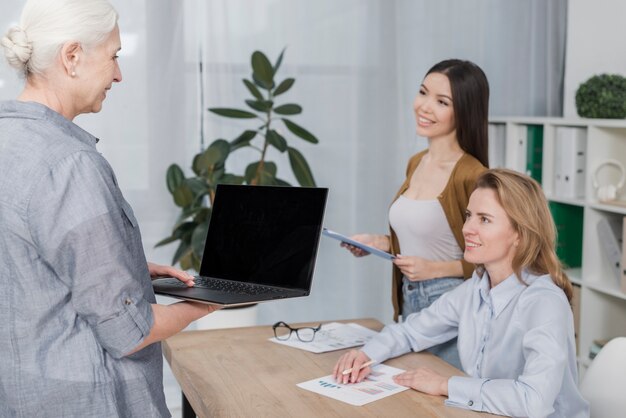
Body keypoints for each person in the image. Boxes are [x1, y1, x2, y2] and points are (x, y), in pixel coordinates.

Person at [0, 1, 218, 416]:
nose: (119, 74)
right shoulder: (70, 163)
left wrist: (126, 263)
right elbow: (128, 332)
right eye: (114, 56)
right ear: (72, 56)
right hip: (87, 401)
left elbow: (24, 266)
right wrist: (205, 304)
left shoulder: (7, 140)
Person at [333, 168, 590, 417]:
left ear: (519, 235)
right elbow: (411, 331)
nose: (467, 228)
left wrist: (446, 385)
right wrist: (366, 354)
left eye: (484, 219)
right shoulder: (475, 288)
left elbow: (533, 401)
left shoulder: (544, 303)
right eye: (469, 215)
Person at [341, 59, 489, 368]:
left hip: (451, 303)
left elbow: (494, 261)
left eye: (441, 101)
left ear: (464, 110)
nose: (424, 106)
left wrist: (434, 270)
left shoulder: (472, 175)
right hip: (411, 298)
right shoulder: (416, 162)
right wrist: (379, 243)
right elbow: (427, 237)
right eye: (423, 93)